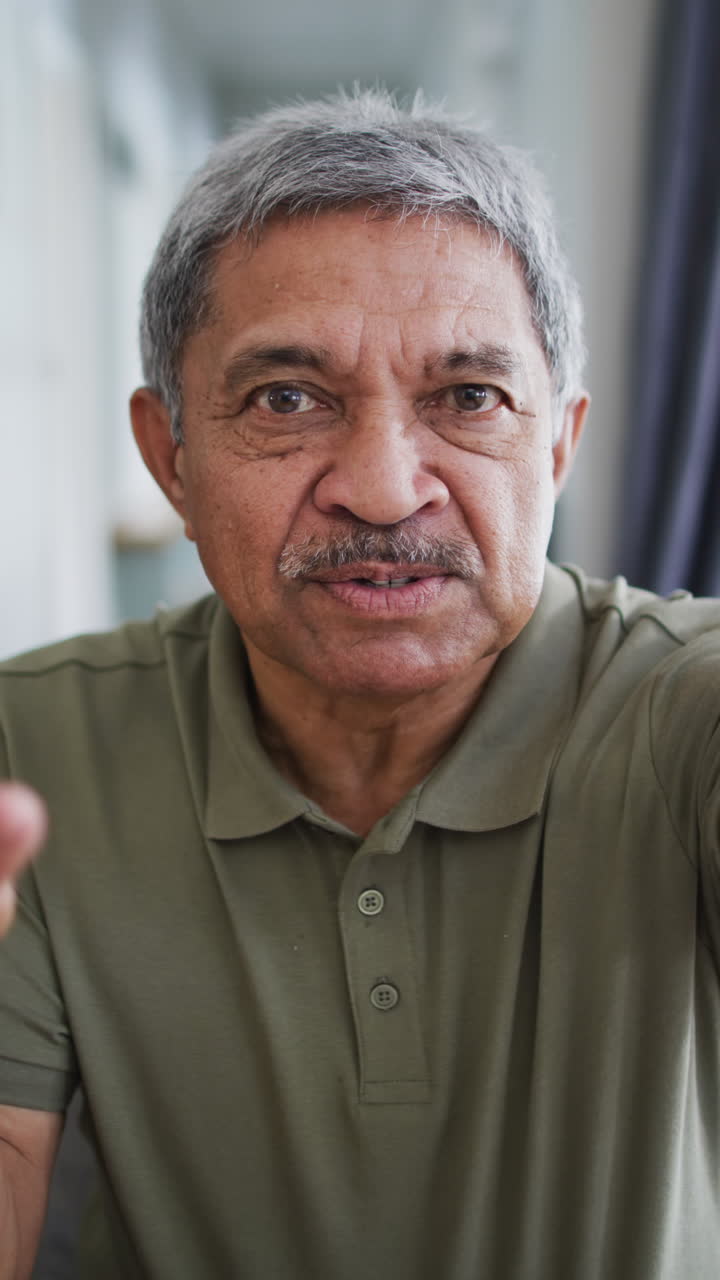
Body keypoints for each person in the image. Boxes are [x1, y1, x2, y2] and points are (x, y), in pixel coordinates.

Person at [0, 87, 718, 1280]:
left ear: (558, 444)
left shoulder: (678, 711)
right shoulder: (34, 747)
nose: (384, 489)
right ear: (170, 455)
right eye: (288, 398)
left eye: (468, 398)